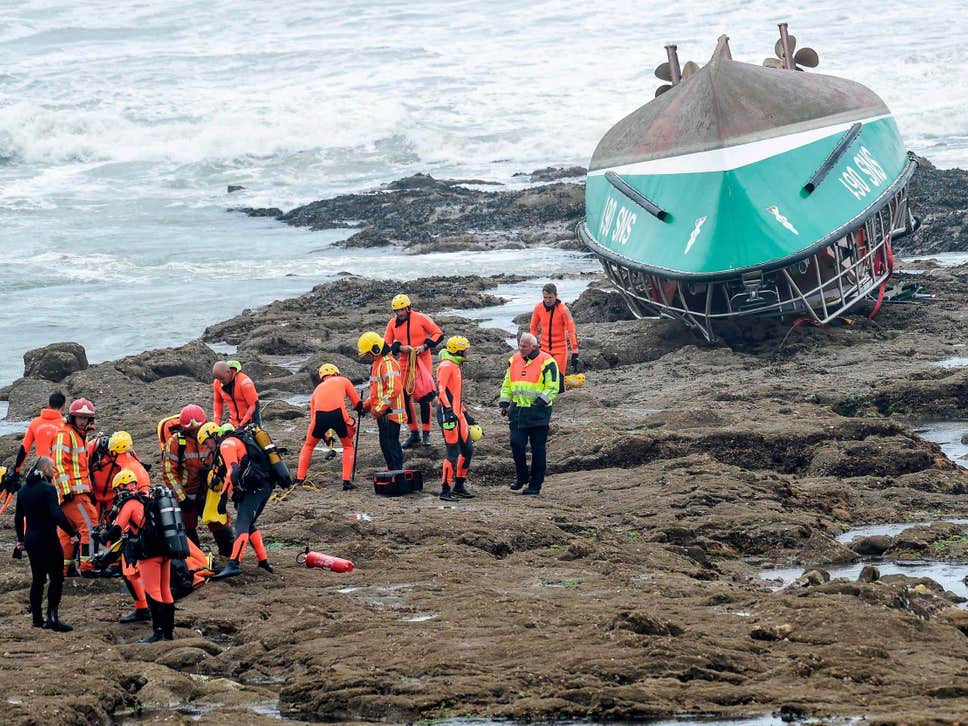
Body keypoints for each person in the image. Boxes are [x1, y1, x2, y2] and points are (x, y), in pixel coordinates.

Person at [100, 469, 175, 642]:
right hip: (165, 549)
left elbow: (116, 529)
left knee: (153, 590)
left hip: (149, 553)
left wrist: (102, 536)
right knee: (165, 589)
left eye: (117, 489)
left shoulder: (130, 503)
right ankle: (168, 633)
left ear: (121, 487)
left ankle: (158, 633)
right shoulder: (149, 497)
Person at [199, 423, 275, 579]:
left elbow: (232, 472)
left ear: (213, 435)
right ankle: (263, 562)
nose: (207, 446)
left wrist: (223, 499)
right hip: (263, 484)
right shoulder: (232, 442)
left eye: (206, 442)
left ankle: (234, 564)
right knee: (249, 524)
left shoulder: (226, 445)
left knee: (242, 525)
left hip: (257, 488)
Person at [14, 457, 79, 632]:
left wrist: (21, 540)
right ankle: (52, 618)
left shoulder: (23, 490)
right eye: (52, 467)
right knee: (56, 578)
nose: (54, 470)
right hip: (48, 539)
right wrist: (72, 533)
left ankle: (37, 619)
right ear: (44, 469)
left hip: (31, 540)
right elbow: (56, 514)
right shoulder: (48, 488)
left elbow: (18, 518)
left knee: (38, 580)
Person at [162, 404, 234, 556]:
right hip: (186, 494)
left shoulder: (211, 437)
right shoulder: (175, 442)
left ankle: (229, 556)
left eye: (198, 429)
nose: (195, 432)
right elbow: (169, 472)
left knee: (219, 523)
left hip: (208, 492)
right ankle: (197, 561)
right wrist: (181, 498)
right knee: (188, 529)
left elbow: (223, 461)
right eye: (191, 430)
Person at [499, 333, 559, 495]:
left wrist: (539, 403)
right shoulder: (514, 360)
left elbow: (553, 386)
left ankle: (535, 485)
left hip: (538, 413)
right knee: (516, 444)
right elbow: (507, 383)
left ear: (534, 346)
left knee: (538, 449)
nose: (521, 348)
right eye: (520, 345)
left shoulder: (547, 361)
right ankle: (522, 477)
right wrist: (504, 403)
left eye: (524, 346)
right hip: (517, 411)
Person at [384, 293, 443, 448]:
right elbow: (386, 345)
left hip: (423, 360)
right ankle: (414, 433)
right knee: (404, 396)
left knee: (424, 396)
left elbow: (438, 334)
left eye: (402, 310)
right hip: (404, 362)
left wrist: (425, 346)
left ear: (408, 308)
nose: (399, 313)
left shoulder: (421, 318)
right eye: (397, 311)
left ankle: (426, 433)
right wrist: (400, 348)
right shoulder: (392, 324)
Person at [296, 364, 364, 491]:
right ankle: (346, 482)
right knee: (348, 446)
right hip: (339, 415)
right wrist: (361, 410)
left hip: (319, 417)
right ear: (336, 372)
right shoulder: (343, 380)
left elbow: (313, 418)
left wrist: (325, 437)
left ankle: (300, 478)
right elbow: (357, 403)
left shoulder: (317, 390)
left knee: (308, 446)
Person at [52, 398, 99, 574]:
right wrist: (66, 490)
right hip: (73, 493)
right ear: (73, 417)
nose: (82, 421)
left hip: (75, 492)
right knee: (90, 525)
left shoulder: (79, 436)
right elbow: (58, 464)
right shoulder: (66, 434)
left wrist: (90, 491)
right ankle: (88, 566)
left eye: (85, 418)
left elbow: (82, 468)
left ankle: (64, 567)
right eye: (80, 417)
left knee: (67, 530)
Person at [358, 331, 407, 471]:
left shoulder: (388, 363)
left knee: (391, 444)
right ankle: (392, 470)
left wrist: (379, 409)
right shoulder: (377, 363)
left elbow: (394, 389)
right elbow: (377, 392)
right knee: (385, 444)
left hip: (390, 414)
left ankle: (397, 471)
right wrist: (366, 406)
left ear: (375, 349)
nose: (367, 357)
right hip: (384, 414)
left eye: (368, 353)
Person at [436, 336, 476, 501]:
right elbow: (441, 391)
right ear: (458, 351)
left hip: (458, 414)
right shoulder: (446, 366)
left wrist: (465, 414)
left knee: (467, 450)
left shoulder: (455, 365)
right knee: (452, 453)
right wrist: (448, 411)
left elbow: (455, 395)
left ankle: (459, 486)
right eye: (465, 350)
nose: (467, 353)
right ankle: (445, 490)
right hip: (448, 416)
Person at [529, 283, 579, 392]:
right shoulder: (538, 308)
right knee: (542, 379)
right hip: (544, 349)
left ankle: (562, 399)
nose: (547, 300)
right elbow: (533, 327)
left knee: (558, 380)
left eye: (550, 297)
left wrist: (575, 351)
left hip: (560, 350)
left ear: (556, 296)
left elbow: (571, 329)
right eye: (545, 297)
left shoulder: (563, 309)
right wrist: (533, 345)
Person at [11, 392, 66, 483]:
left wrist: (17, 470)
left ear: (49, 404)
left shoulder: (35, 423)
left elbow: (24, 449)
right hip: (59, 472)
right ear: (63, 406)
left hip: (41, 470)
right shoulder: (65, 425)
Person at [212, 360, 261, 428]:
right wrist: (216, 422)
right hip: (234, 422)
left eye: (222, 378)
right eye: (218, 379)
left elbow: (254, 405)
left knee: (256, 434)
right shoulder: (217, 383)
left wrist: (243, 424)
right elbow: (218, 402)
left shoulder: (244, 382)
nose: (221, 382)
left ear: (228, 372)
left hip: (251, 419)